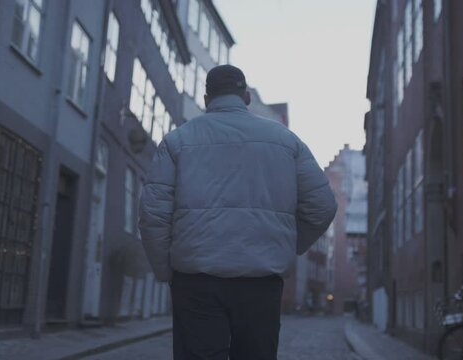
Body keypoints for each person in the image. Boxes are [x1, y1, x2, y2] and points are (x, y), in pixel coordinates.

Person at [139, 65, 337, 360]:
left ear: (207, 99)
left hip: (196, 279)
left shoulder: (177, 141)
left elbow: (153, 214)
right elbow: (323, 205)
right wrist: (282, 246)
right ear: (245, 96)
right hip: (260, 279)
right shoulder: (286, 140)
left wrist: (165, 270)